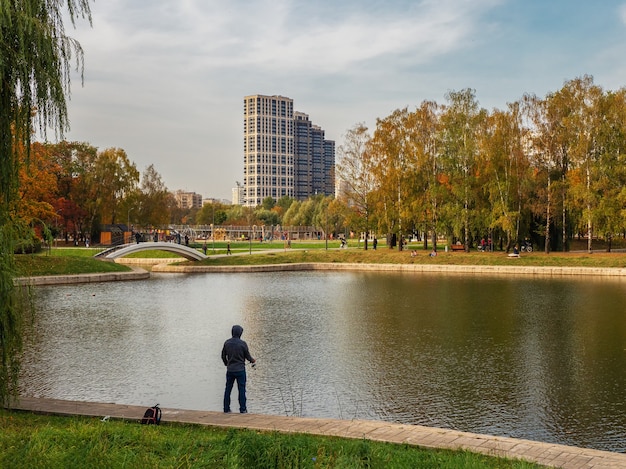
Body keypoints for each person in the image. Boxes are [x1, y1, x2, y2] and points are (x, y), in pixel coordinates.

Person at [221, 325, 256, 413]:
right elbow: (248, 356)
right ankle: (243, 409)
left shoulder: (227, 343)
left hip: (230, 370)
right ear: (240, 333)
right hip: (240, 370)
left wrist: (227, 364)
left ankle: (226, 409)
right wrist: (252, 360)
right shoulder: (242, 343)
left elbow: (223, 356)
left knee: (228, 389)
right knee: (241, 390)